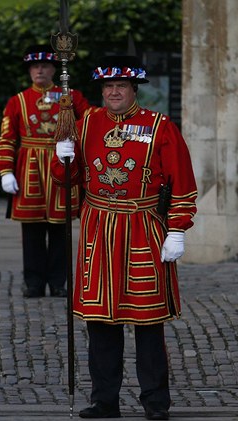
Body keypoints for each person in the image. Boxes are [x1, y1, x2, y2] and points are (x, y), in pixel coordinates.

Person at [52, 55, 198, 420]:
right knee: (100, 323)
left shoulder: (160, 126)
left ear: (134, 90)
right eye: (108, 87)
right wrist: (61, 158)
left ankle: (155, 402)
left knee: (148, 323)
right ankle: (105, 400)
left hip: (143, 229)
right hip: (98, 231)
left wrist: (177, 228)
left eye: (121, 86)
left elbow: (182, 181)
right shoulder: (85, 124)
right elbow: (66, 181)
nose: (114, 92)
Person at [0, 44, 94, 298]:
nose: (40, 70)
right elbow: (6, 139)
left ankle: (59, 282)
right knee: (32, 230)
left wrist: (73, 142)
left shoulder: (70, 96)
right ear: (29, 70)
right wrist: (5, 170)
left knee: (61, 230)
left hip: (62, 165)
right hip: (29, 169)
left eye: (45, 66)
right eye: (35, 66)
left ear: (54, 69)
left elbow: (91, 123)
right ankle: (34, 282)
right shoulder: (17, 101)